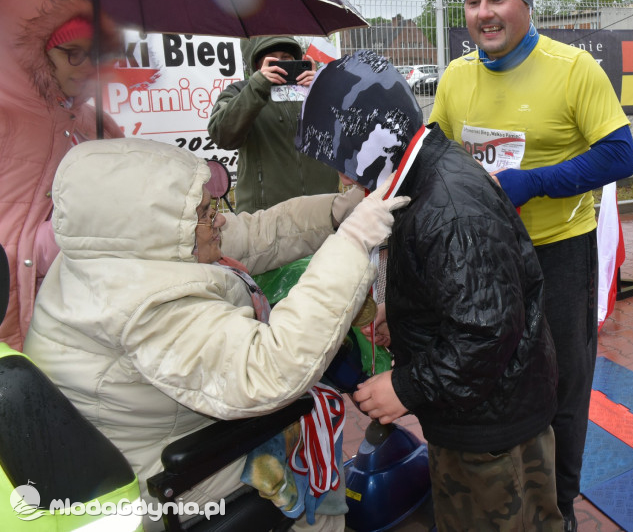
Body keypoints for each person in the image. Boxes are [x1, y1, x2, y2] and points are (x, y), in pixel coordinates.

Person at [24, 136, 407, 531]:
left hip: (140, 448)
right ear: (163, 226)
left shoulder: (112, 255)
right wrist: (354, 243)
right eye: (205, 212)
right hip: (177, 484)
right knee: (316, 482)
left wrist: (341, 211)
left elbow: (261, 233)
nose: (218, 219)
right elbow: (272, 369)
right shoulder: (147, 308)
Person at [296, 50, 561, 531]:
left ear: (368, 140)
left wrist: (406, 387)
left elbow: (486, 332)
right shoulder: (423, 172)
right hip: (480, 407)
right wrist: (399, 315)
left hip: (488, 429)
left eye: (342, 160)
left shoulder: (450, 206)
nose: (344, 177)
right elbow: (459, 292)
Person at [428, 0, 633, 530]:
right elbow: (436, 156)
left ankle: (561, 506)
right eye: (473, 2)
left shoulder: (573, 69)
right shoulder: (456, 76)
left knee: (564, 383)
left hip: (560, 250)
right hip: (483, 255)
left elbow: (621, 155)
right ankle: (501, 492)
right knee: (494, 378)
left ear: (525, 3)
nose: (484, 13)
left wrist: (534, 184)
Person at [0, 0, 123, 351]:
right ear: (29, 52)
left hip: (65, 315)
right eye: (72, 52)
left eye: (94, 54)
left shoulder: (97, 125)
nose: (86, 66)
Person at [207, 35, 340, 213]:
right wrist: (257, 87)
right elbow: (222, 135)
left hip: (322, 212)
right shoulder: (239, 92)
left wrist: (322, 91)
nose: (281, 63)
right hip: (266, 219)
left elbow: (347, 135)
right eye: (272, 59)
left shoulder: (313, 90)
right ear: (257, 64)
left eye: (286, 58)